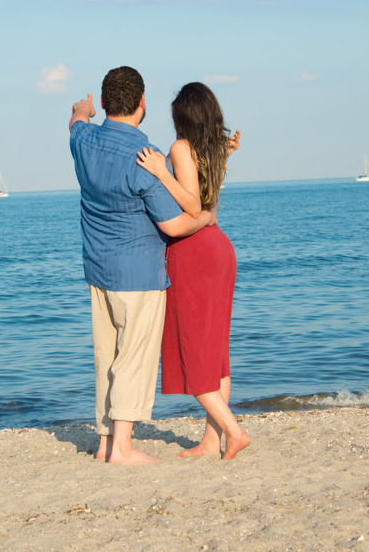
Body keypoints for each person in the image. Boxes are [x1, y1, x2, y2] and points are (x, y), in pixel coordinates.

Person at [68, 66, 216, 465]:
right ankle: (123, 448)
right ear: (142, 103)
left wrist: (82, 109)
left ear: (103, 103)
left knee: (106, 356)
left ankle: (104, 442)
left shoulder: (83, 140)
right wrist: (205, 217)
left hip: (97, 269)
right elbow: (173, 224)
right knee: (132, 358)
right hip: (137, 273)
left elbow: (76, 121)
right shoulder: (144, 155)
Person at [135, 82, 250, 460]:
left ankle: (233, 432)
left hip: (194, 253)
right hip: (219, 248)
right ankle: (210, 440)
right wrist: (227, 150)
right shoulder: (215, 149)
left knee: (192, 350)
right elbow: (207, 197)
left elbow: (193, 202)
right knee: (216, 353)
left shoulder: (181, 148)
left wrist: (160, 171)